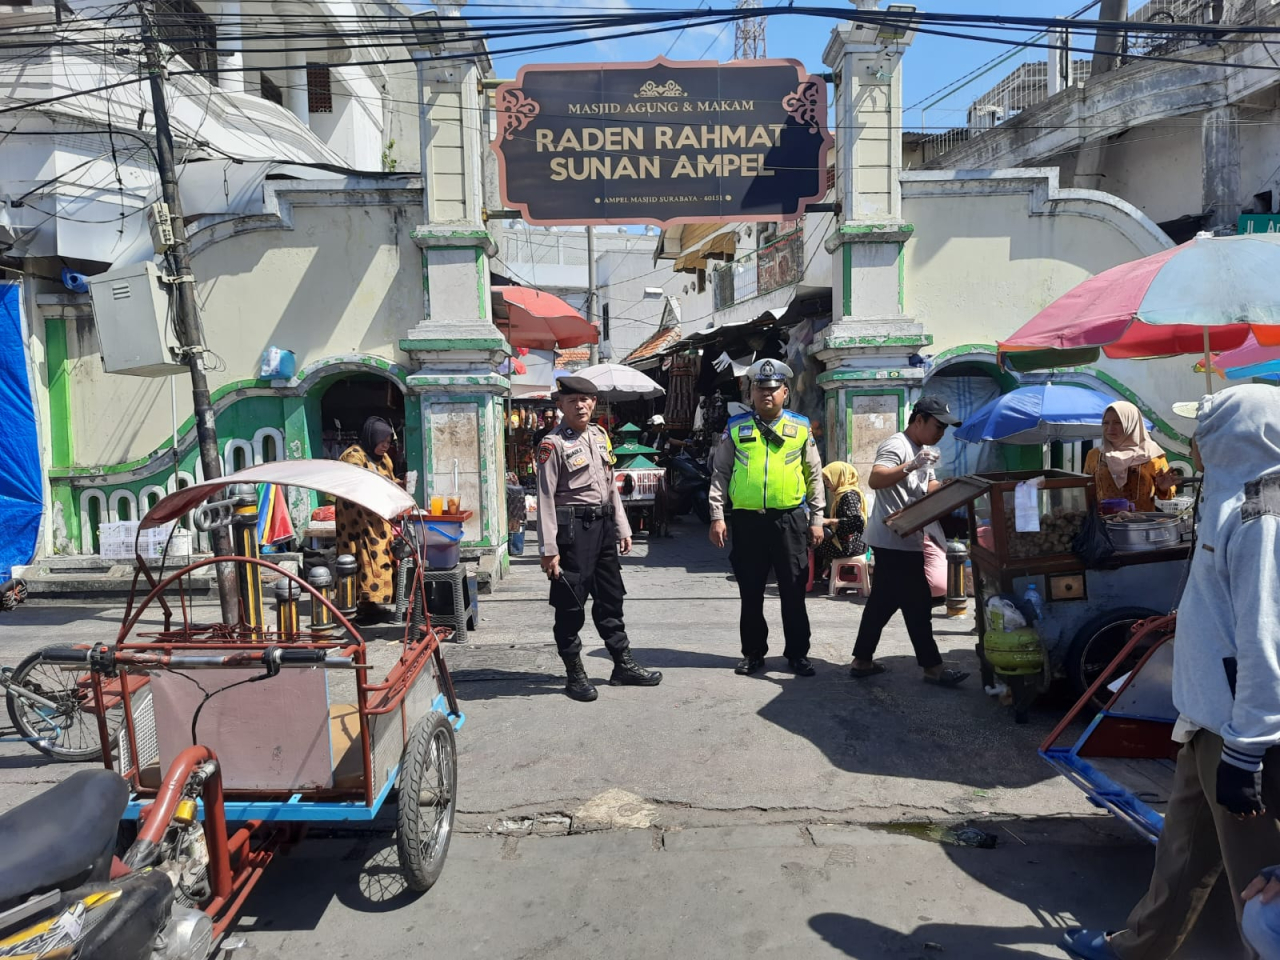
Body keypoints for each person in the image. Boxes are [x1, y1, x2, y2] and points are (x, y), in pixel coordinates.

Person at [1063, 383, 1280, 960]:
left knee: (1261, 894)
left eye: (1203, 430)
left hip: (1237, 730)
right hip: (1205, 714)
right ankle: (1139, 948)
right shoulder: (1234, 498)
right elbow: (1227, 603)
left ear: (1237, 435)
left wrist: (1248, 748)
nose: (1193, 442)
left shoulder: (1264, 512)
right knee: (1183, 851)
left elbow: (1266, 637)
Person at [536, 376, 662, 702]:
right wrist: (549, 549)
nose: (581, 405)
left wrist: (622, 527)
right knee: (571, 604)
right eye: (573, 400)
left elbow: (610, 486)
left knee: (611, 598)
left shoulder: (599, 435)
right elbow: (546, 498)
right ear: (560, 405)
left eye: (586, 399)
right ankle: (574, 672)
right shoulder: (553, 444)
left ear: (594, 403)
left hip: (603, 528)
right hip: (573, 533)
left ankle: (622, 664)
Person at [708, 359, 825, 677]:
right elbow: (720, 473)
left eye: (773, 389)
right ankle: (753, 653)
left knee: (793, 591)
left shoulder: (800, 427)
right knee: (751, 592)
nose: (766, 394)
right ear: (751, 393)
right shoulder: (736, 427)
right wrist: (717, 516)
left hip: (789, 521)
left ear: (785, 392)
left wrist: (817, 518)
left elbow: (814, 474)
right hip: (748, 522)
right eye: (760, 389)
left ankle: (798, 654)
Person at [848, 396, 970, 687]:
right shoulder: (897, 445)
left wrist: (950, 486)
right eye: (938, 426)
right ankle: (933, 667)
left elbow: (927, 488)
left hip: (907, 536)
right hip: (893, 538)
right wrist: (911, 465)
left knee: (883, 603)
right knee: (916, 605)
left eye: (945, 428)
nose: (942, 433)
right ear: (919, 420)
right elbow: (876, 479)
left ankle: (862, 660)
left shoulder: (922, 450)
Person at [335, 416, 400, 621]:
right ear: (371, 438)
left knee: (384, 556)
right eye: (382, 441)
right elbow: (357, 484)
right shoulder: (353, 456)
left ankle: (373, 601)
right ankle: (363, 602)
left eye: (388, 443)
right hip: (356, 519)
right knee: (361, 557)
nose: (384, 446)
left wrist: (402, 483)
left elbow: (389, 480)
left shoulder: (385, 459)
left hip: (378, 518)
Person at [1084, 401, 1179, 512]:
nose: (1110, 428)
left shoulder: (1152, 455)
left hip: (1140, 525)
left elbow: (1168, 495)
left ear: (1131, 423)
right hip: (1104, 526)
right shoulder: (1094, 455)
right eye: (1105, 423)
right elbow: (1086, 490)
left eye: (1117, 422)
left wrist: (1163, 488)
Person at [814, 462, 867, 580]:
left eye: (828, 479)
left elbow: (856, 523)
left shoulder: (848, 496)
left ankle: (815, 576)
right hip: (850, 544)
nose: (826, 483)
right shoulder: (841, 494)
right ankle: (825, 574)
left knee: (813, 540)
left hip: (850, 546)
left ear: (839, 477)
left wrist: (829, 521)